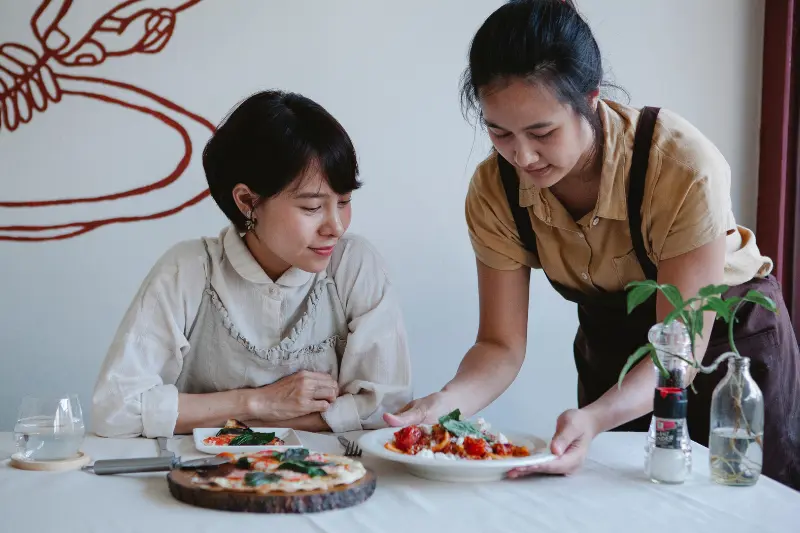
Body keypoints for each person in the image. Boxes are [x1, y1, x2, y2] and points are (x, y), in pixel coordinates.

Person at [385, 0, 800, 490]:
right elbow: (499, 345)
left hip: (725, 349)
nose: (522, 155)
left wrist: (598, 416)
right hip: (617, 351)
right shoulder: (495, 189)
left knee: (744, 504)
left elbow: (680, 350)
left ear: (591, 99)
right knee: (617, 508)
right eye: (499, 132)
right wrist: (445, 403)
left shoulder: (681, 166)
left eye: (542, 132)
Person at [92, 90, 412, 438]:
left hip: (326, 480)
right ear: (247, 201)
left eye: (344, 201)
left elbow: (387, 408)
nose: (335, 226)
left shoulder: (354, 265)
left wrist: (218, 418)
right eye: (311, 207)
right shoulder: (187, 270)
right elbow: (114, 409)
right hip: (205, 479)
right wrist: (257, 402)